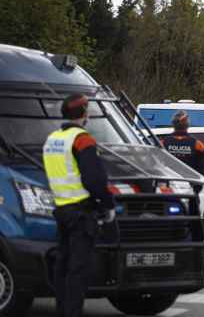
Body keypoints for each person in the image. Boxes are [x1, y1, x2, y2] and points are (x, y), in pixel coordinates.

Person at [43, 94, 116, 317]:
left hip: (61, 210)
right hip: (81, 213)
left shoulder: (52, 139)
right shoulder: (82, 139)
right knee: (78, 270)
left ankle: (63, 310)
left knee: (63, 266)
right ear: (84, 113)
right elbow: (94, 179)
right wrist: (108, 204)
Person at [161, 110, 204, 193]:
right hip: (189, 190)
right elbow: (203, 171)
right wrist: (196, 189)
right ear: (188, 125)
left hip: (168, 190)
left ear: (173, 124)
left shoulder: (163, 143)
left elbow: (157, 166)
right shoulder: (198, 145)